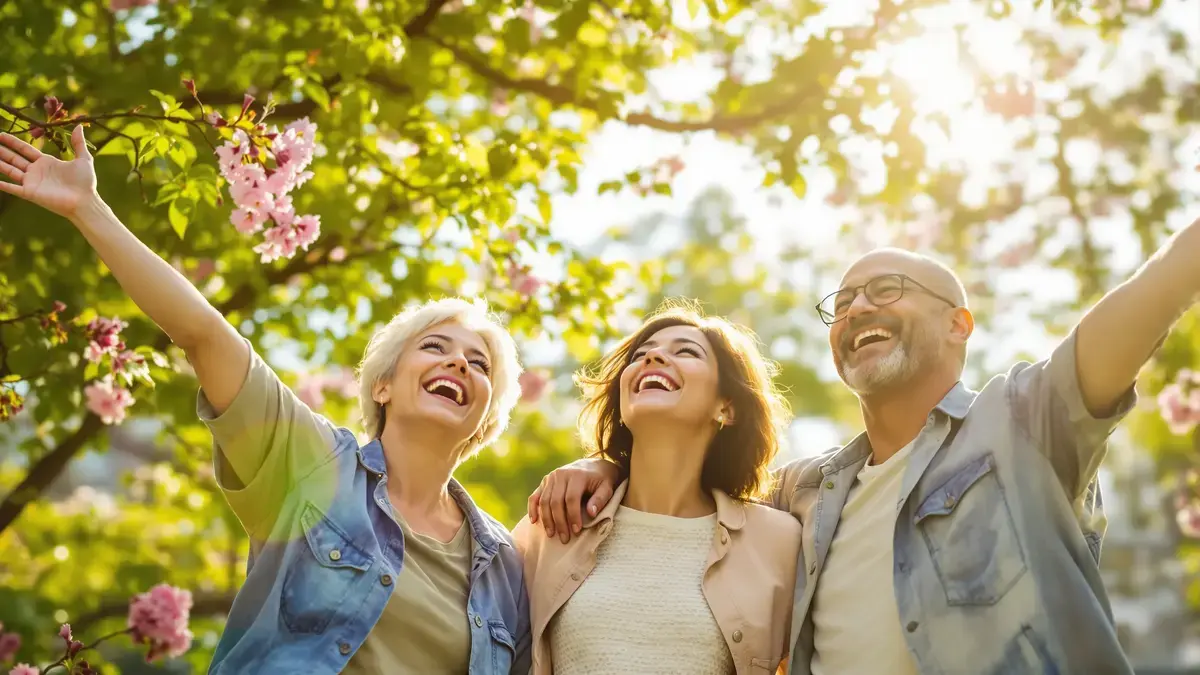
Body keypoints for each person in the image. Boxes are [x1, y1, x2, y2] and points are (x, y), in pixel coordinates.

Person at [524, 239, 1198, 673]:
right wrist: (609, 463)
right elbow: (684, 487)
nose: (857, 309)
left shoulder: (1023, 422)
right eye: (842, 302)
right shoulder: (803, 496)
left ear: (958, 324)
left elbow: (1134, 317)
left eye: (886, 289)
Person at [0, 127, 530, 673]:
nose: (459, 363)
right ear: (383, 385)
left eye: (480, 363)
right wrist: (89, 209)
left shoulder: (505, 566)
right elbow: (205, 335)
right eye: (435, 346)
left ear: (486, 418)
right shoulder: (314, 463)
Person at [513, 303, 802, 675]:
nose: (653, 356)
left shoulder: (779, 543)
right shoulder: (553, 523)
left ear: (726, 407)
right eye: (641, 354)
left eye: (685, 351)